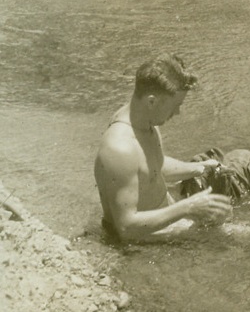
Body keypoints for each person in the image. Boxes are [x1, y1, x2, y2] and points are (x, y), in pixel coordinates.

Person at [94, 53, 232, 242]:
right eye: (175, 105)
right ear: (151, 101)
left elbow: (150, 167)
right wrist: (187, 207)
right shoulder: (119, 149)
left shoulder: (144, 122)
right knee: (244, 235)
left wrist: (199, 169)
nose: (178, 112)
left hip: (166, 215)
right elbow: (126, 227)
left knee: (232, 164)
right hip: (145, 235)